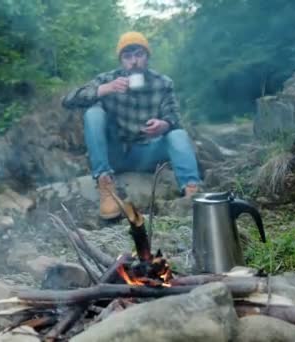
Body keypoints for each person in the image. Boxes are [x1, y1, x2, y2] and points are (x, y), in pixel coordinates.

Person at [62, 31, 200, 220]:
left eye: (139, 55)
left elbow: (174, 118)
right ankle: (105, 186)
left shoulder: (163, 83)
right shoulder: (108, 79)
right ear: (121, 61)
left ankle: (192, 193)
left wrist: (164, 124)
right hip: (115, 154)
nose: (133, 62)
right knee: (93, 113)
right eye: (127, 56)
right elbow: (68, 100)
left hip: (147, 153)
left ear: (147, 57)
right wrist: (105, 89)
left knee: (177, 134)